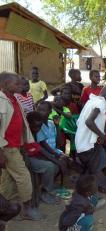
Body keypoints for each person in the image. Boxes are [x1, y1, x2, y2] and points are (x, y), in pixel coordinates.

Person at [0, 72, 44, 220]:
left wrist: (25, 141)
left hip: (14, 145)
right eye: (16, 83)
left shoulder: (13, 98)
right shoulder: (1, 100)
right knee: (24, 177)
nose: (20, 86)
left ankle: (4, 207)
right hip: (7, 147)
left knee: (8, 178)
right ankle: (27, 209)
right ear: (6, 85)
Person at [75, 86, 106, 193]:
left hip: (83, 142)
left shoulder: (92, 101)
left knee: (102, 154)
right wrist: (101, 135)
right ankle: (101, 186)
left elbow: (80, 122)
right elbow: (89, 122)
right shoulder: (101, 103)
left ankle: (97, 182)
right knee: (96, 166)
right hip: (87, 146)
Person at [25, 111, 60, 204]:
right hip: (26, 158)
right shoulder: (25, 133)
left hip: (34, 155)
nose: (38, 128)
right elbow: (39, 150)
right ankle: (46, 193)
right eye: (35, 126)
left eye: (40, 126)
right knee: (50, 166)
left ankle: (46, 187)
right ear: (28, 123)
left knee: (55, 163)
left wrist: (56, 159)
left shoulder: (36, 131)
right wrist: (54, 160)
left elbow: (40, 149)